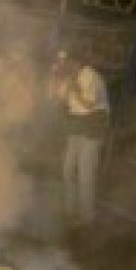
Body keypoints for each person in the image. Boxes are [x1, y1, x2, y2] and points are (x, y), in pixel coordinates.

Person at [51, 51, 109, 227]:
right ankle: (70, 210)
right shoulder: (71, 77)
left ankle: (86, 217)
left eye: (65, 62)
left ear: (75, 62)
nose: (63, 65)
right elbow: (57, 99)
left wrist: (74, 87)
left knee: (85, 174)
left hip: (92, 130)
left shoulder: (91, 77)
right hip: (76, 128)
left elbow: (89, 104)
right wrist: (55, 80)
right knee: (68, 169)